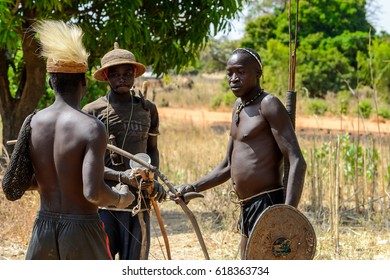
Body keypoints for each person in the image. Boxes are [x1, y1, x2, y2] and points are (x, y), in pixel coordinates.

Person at [1, 20, 135, 260]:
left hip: (42, 230)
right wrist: (120, 198)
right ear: (83, 82)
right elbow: (93, 193)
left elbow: (17, 183)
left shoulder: (33, 122)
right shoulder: (91, 128)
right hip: (82, 231)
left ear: (51, 82)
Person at [176, 48, 307, 259]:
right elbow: (228, 165)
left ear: (257, 73)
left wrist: (287, 216)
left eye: (240, 72)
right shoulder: (239, 107)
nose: (233, 78)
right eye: (229, 73)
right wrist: (192, 187)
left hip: (268, 205)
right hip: (248, 206)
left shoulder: (268, 105)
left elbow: (297, 160)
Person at [82, 43, 165, 260]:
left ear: (135, 74)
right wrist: (119, 177)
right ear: (106, 77)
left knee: (135, 263)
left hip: (139, 200)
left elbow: (152, 150)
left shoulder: (147, 109)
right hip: (104, 200)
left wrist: (153, 178)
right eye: (115, 74)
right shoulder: (92, 111)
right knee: (102, 260)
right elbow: (86, 163)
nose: (122, 79)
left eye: (127, 74)